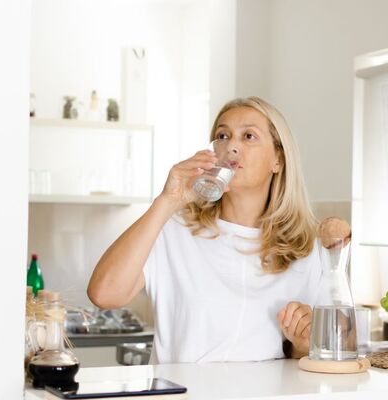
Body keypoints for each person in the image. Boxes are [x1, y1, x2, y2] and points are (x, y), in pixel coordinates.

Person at [87, 96, 347, 363]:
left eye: (248, 136)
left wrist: (304, 343)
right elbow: (104, 294)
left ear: (278, 160)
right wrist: (167, 201)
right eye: (222, 135)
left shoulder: (304, 249)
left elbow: (330, 345)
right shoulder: (175, 229)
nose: (231, 145)